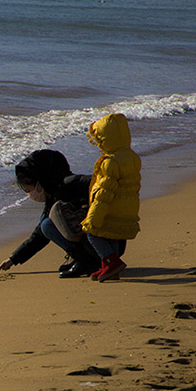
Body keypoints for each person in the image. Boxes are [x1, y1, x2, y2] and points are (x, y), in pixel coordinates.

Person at [0, 149, 99, 278]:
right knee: (47, 224)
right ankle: (84, 258)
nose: (29, 194)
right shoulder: (54, 194)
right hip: (100, 244)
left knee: (48, 225)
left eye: (28, 189)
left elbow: (97, 181)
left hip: (104, 243)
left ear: (40, 182)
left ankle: (86, 261)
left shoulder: (68, 184)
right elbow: (40, 236)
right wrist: (14, 258)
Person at [80, 113, 141, 282]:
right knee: (112, 235)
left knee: (93, 233)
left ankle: (111, 262)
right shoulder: (132, 157)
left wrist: (94, 217)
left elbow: (105, 194)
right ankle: (108, 267)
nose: (99, 143)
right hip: (128, 207)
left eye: (100, 140)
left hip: (112, 207)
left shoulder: (111, 162)